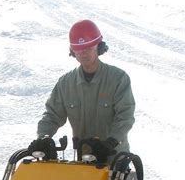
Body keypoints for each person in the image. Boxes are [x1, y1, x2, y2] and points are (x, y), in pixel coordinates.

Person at [28, 19, 135, 163]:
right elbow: (52, 116)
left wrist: (112, 141)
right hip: (83, 160)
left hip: (114, 158)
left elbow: (125, 116)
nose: (84, 53)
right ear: (72, 51)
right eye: (79, 49)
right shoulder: (66, 83)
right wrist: (43, 137)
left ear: (99, 47)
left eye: (89, 48)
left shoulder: (118, 79)